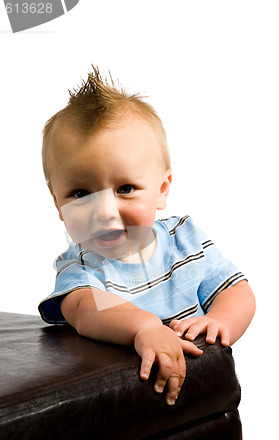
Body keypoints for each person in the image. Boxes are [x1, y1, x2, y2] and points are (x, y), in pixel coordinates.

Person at [39, 67, 256, 407]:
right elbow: (87, 309)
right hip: (130, 404)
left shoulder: (184, 240)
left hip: (202, 388)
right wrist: (145, 327)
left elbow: (236, 289)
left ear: (162, 190)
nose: (105, 211)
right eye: (81, 193)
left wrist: (220, 320)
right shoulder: (83, 269)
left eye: (125, 189)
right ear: (58, 203)